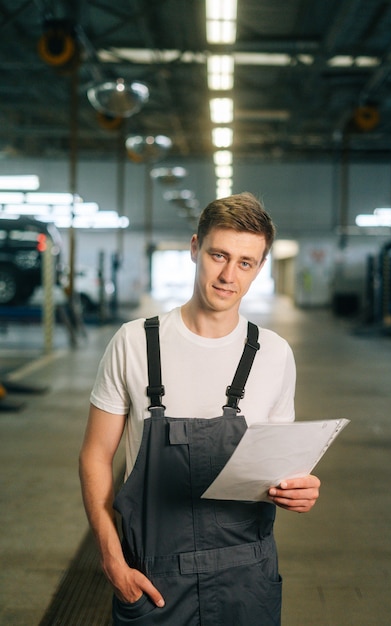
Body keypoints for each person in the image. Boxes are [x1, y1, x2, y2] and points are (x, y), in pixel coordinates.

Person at [79, 191, 320, 625]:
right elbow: (95, 455)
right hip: (153, 582)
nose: (229, 275)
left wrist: (296, 490)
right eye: (219, 255)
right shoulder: (135, 343)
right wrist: (112, 561)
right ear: (195, 248)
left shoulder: (274, 354)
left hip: (247, 580)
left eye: (245, 262)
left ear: (260, 268)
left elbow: (277, 469)